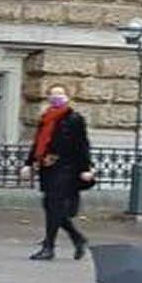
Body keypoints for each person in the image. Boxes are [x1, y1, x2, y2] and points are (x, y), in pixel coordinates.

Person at [26, 83, 95, 261]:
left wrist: (86, 168)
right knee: (51, 207)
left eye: (60, 94)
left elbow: (82, 145)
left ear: (67, 97)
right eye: (53, 94)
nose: (56, 97)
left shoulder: (74, 118)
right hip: (48, 168)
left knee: (53, 206)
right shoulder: (46, 118)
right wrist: (29, 162)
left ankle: (49, 247)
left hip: (66, 169)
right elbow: (38, 143)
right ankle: (77, 238)